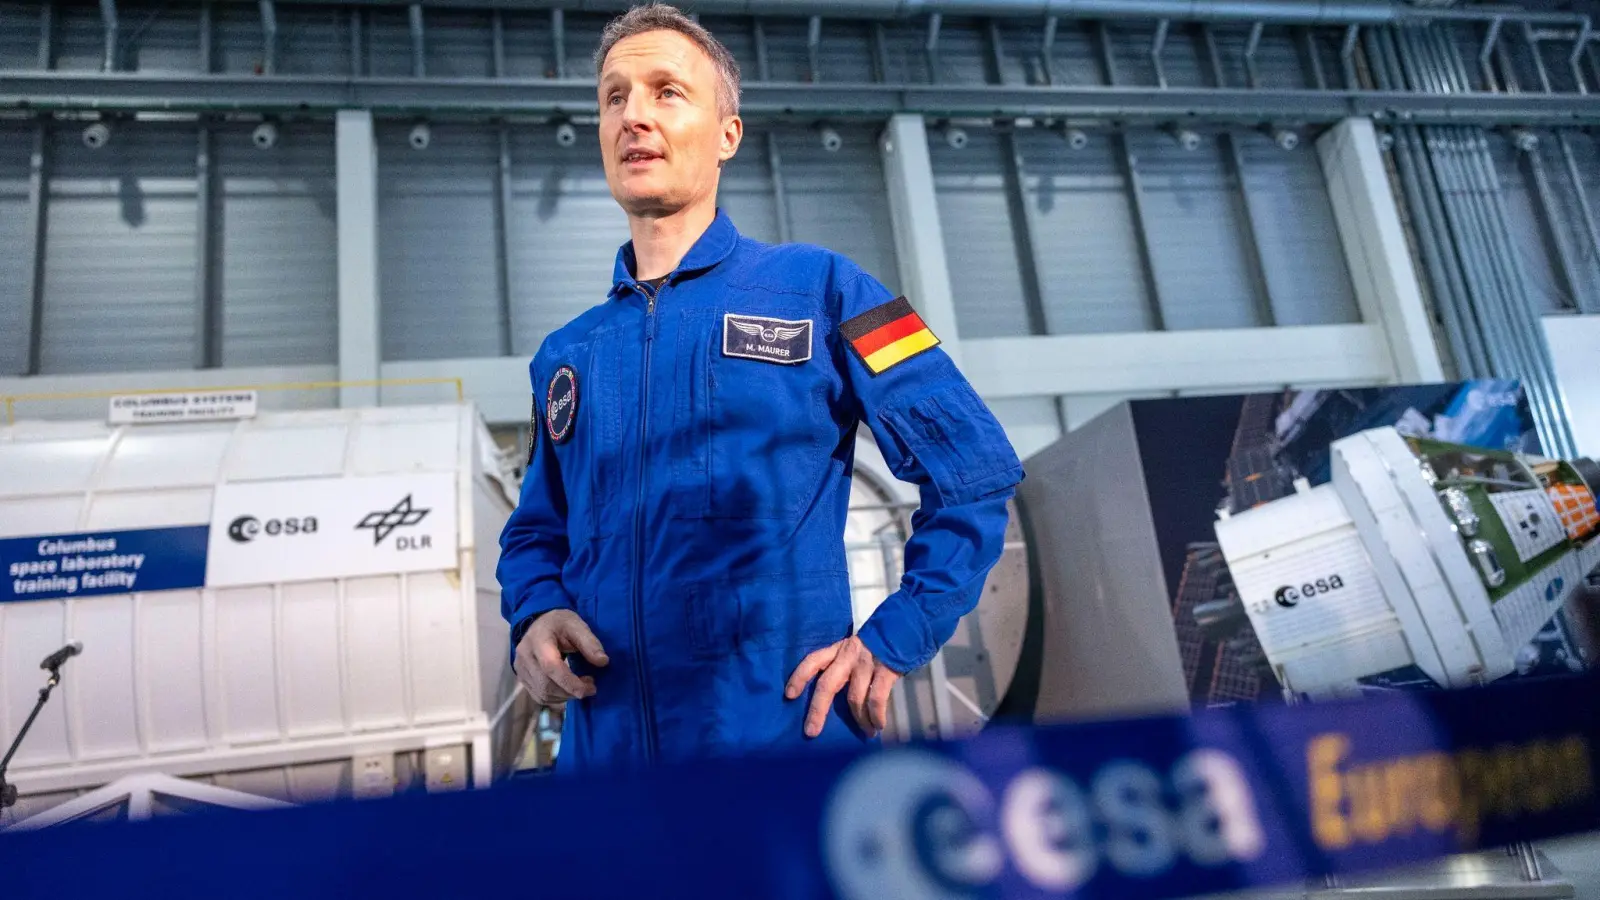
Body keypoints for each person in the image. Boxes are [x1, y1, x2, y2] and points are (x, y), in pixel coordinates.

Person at [497, 2, 1022, 772]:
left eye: (666, 92)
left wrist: (897, 634)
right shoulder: (565, 356)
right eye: (615, 97)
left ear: (728, 135)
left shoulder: (832, 290)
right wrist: (535, 613)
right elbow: (539, 530)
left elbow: (974, 471)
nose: (634, 115)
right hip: (604, 773)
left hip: (781, 758)